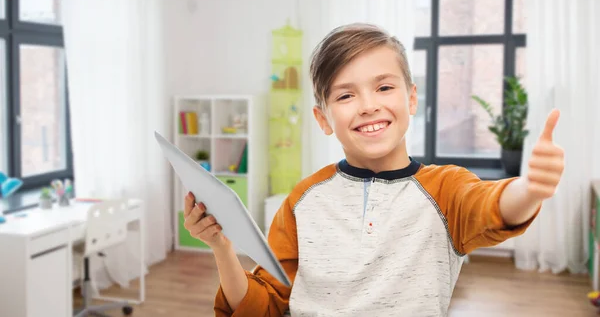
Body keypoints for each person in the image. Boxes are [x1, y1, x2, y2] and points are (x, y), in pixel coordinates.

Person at [182, 23, 565, 316]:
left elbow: (495, 205)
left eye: (383, 88)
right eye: (346, 95)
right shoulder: (302, 201)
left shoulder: (446, 189)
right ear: (323, 118)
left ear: (411, 98)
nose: (368, 106)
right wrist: (221, 248)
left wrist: (530, 188)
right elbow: (263, 308)